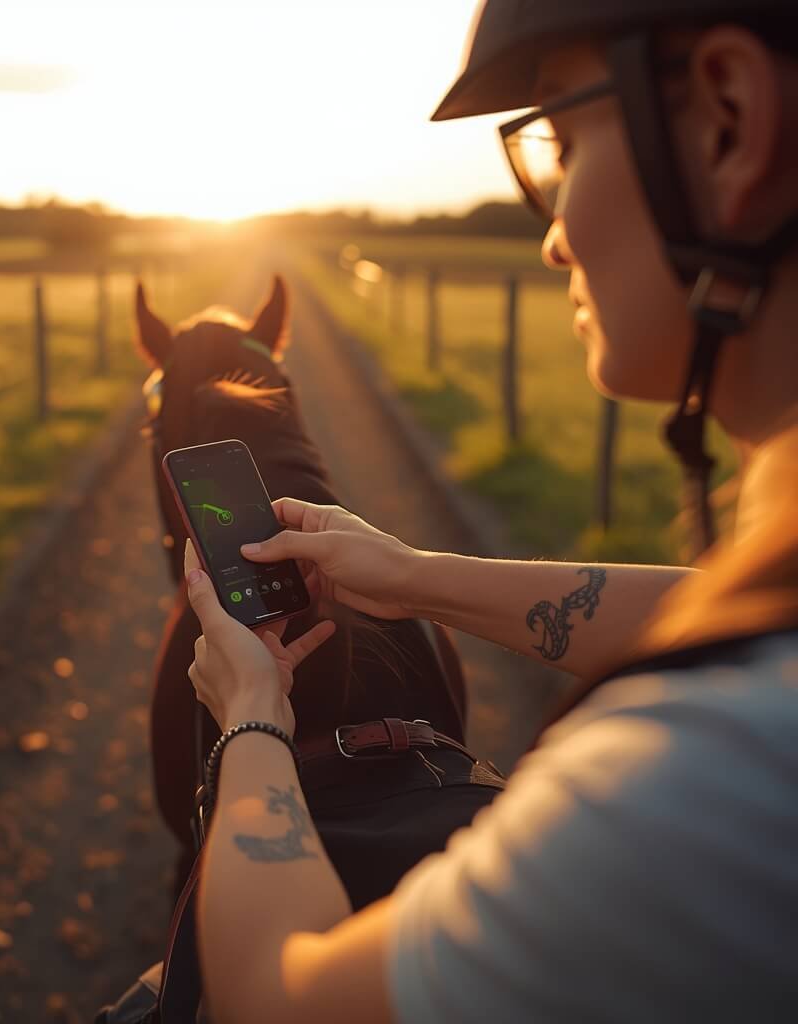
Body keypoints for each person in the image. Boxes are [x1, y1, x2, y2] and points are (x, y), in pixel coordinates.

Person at [181, 1, 798, 1020]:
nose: (552, 240)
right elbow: (708, 613)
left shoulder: (704, 778)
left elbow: (278, 996)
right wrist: (412, 575)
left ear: (728, 120)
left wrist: (250, 715)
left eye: (560, 140)